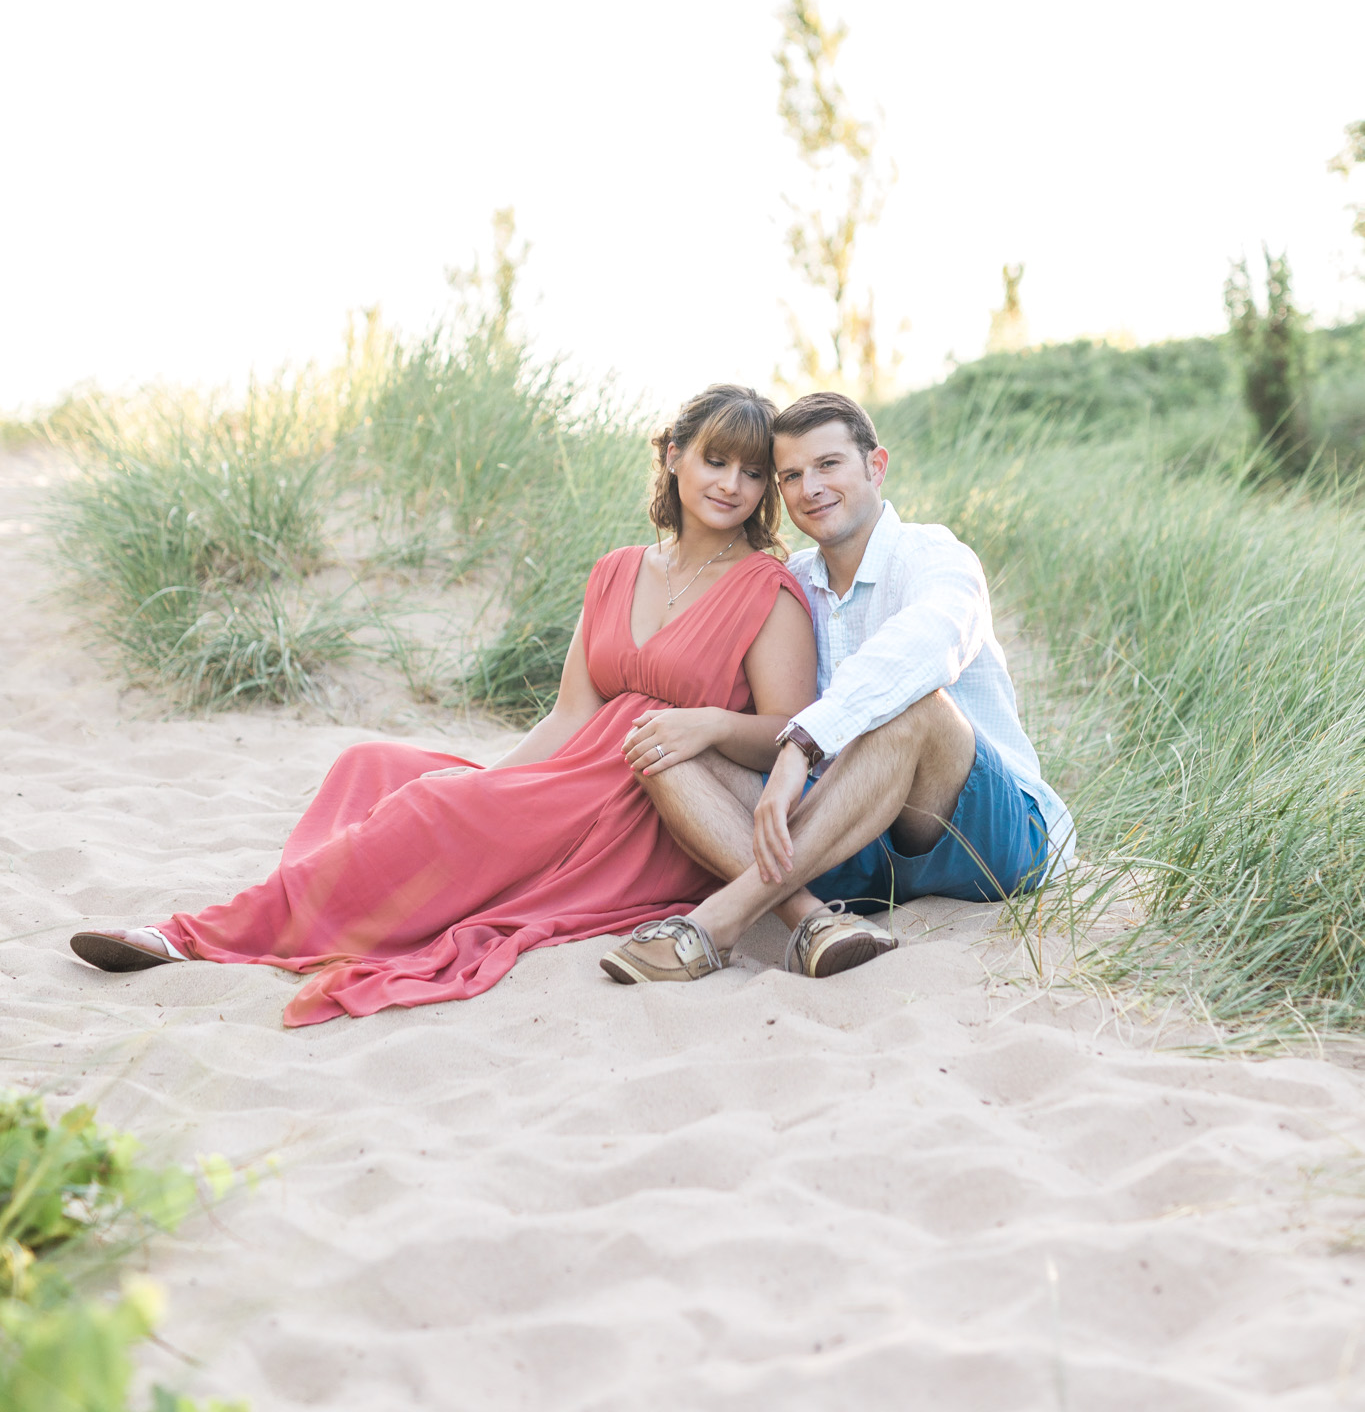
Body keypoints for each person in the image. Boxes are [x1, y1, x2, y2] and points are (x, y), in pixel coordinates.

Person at [70, 384, 837, 1024]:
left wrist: (710, 722)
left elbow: (788, 738)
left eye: (751, 471)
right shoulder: (615, 571)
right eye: (714, 459)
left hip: (643, 811)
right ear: (672, 457)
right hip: (569, 776)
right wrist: (486, 785)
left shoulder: (765, 591)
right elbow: (571, 715)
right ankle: (334, 896)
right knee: (381, 767)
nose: (731, 484)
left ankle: (190, 934)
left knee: (423, 816)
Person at [602, 390, 1074, 985]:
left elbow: (929, 642)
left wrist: (802, 743)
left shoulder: (933, 555)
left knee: (913, 708)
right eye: (791, 475)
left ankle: (716, 925)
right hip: (856, 843)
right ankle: (818, 922)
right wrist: (707, 725)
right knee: (660, 744)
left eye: (829, 465)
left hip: (986, 836)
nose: (810, 488)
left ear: (875, 466)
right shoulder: (790, 583)